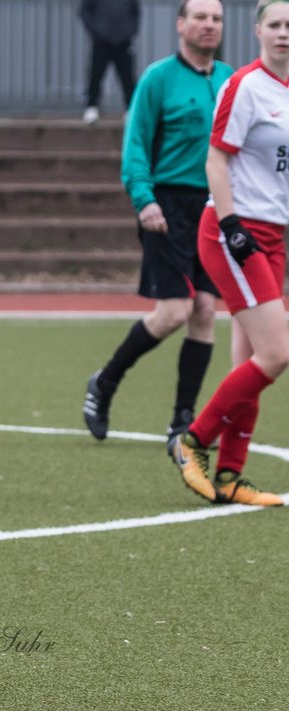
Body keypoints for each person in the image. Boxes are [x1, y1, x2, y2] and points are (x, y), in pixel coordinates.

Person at [82, 0, 231, 447]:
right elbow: (135, 147)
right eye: (200, 17)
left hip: (214, 208)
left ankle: (182, 421)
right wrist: (144, 200)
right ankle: (105, 381)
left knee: (206, 311)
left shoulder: (230, 81)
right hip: (165, 207)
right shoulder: (157, 78)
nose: (209, 25)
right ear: (181, 24)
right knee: (174, 312)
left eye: (217, 18)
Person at [171, 0, 289, 507]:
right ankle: (191, 440)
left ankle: (229, 477)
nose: (285, 33)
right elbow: (217, 158)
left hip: (275, 236)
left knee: (250, 359)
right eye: (277, 24)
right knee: (278, 353)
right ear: (258, 30)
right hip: (232, 233)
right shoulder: (245, 85)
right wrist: (232, 222)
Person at [80, 0, 141, 123]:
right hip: (100, 41)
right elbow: (85, 12)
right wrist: (96, 31)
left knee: (127, 76)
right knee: (95, 74)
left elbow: (135, 13)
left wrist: (129, 32)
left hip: (123, 41)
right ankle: (91, 107)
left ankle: (130, 109)